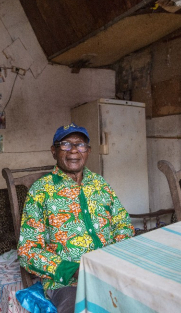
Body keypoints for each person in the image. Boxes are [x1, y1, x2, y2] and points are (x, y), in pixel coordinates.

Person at [17, 123, 134, 313]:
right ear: (54, 151)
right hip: (67, 284)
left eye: (80, 145)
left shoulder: (100, 184)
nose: (73, 150)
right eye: (65, 144)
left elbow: (123, 223)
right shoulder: (40, 191)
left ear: (87, 151)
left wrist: (115, 258)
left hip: (112, 272)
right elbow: (28, 251)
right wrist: (75, 270)